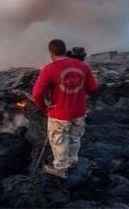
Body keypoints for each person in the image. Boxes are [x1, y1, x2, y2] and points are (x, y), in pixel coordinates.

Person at [32, 39, 98, 179]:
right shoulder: (82, 66)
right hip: (79, 111)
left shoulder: (49, 69)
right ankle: (73, 161)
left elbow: (37, 93)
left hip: (59, 114)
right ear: (64, 50)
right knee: (75, 137)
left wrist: (44, 106)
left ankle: (61, 168)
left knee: (59, 140)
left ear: (50, 52)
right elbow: (93, 87)